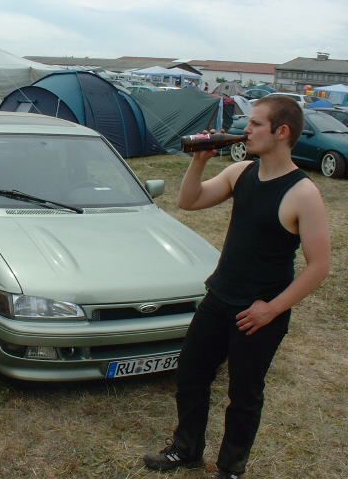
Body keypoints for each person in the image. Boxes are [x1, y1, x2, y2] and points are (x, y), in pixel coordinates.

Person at [142, 95, 331, 478]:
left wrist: (272, 309)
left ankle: (230, 468)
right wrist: (199, 161)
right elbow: (189, 200)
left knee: (244, 395)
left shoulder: (303, 193)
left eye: (256, 124)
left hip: (258, 313)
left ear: (282, 132)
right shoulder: (241, 171)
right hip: (219, 298)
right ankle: (186, 449)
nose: (246, 129)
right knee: (191, 375)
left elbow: (320, 267)